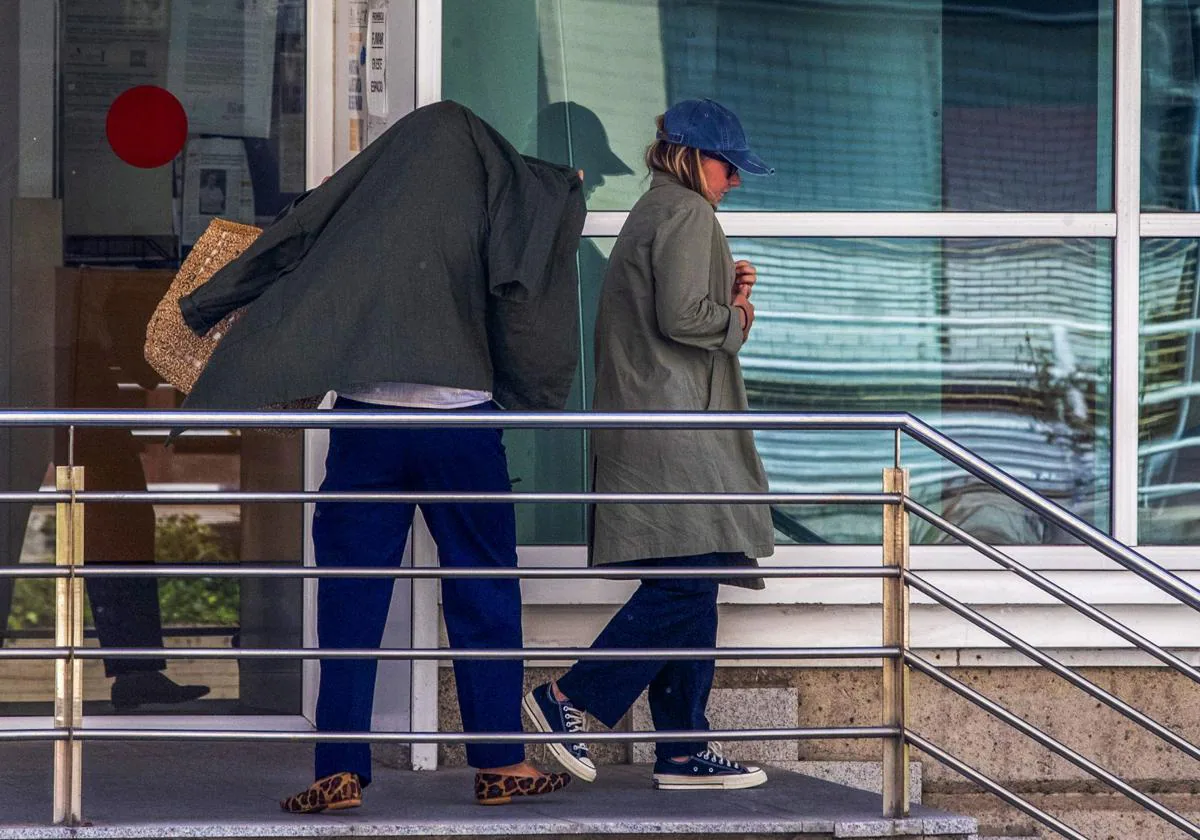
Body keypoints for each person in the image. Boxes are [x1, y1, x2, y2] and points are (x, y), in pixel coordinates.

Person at [174, 101, 587, 808]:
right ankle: (499, 763)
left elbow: (290, 238)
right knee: (485, 590)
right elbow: (528, 262)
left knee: (351, 595)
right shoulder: (490, 188)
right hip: (462, 426)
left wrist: (204, 306)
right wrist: (531, 387)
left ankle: (337, 767)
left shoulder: (364, 192)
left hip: (367, 425)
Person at [522, 99, 776, 791]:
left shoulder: (658, 210)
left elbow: (677, 313)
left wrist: (725, 301)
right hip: (675, 431)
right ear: (696, 156)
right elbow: (686, 319)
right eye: (729, 166)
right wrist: (739, 313)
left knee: (691, 584)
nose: (735, 181)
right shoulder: (689, 212)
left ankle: (683, 749)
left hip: (654, 423)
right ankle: (566, 698)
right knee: (687, 581)